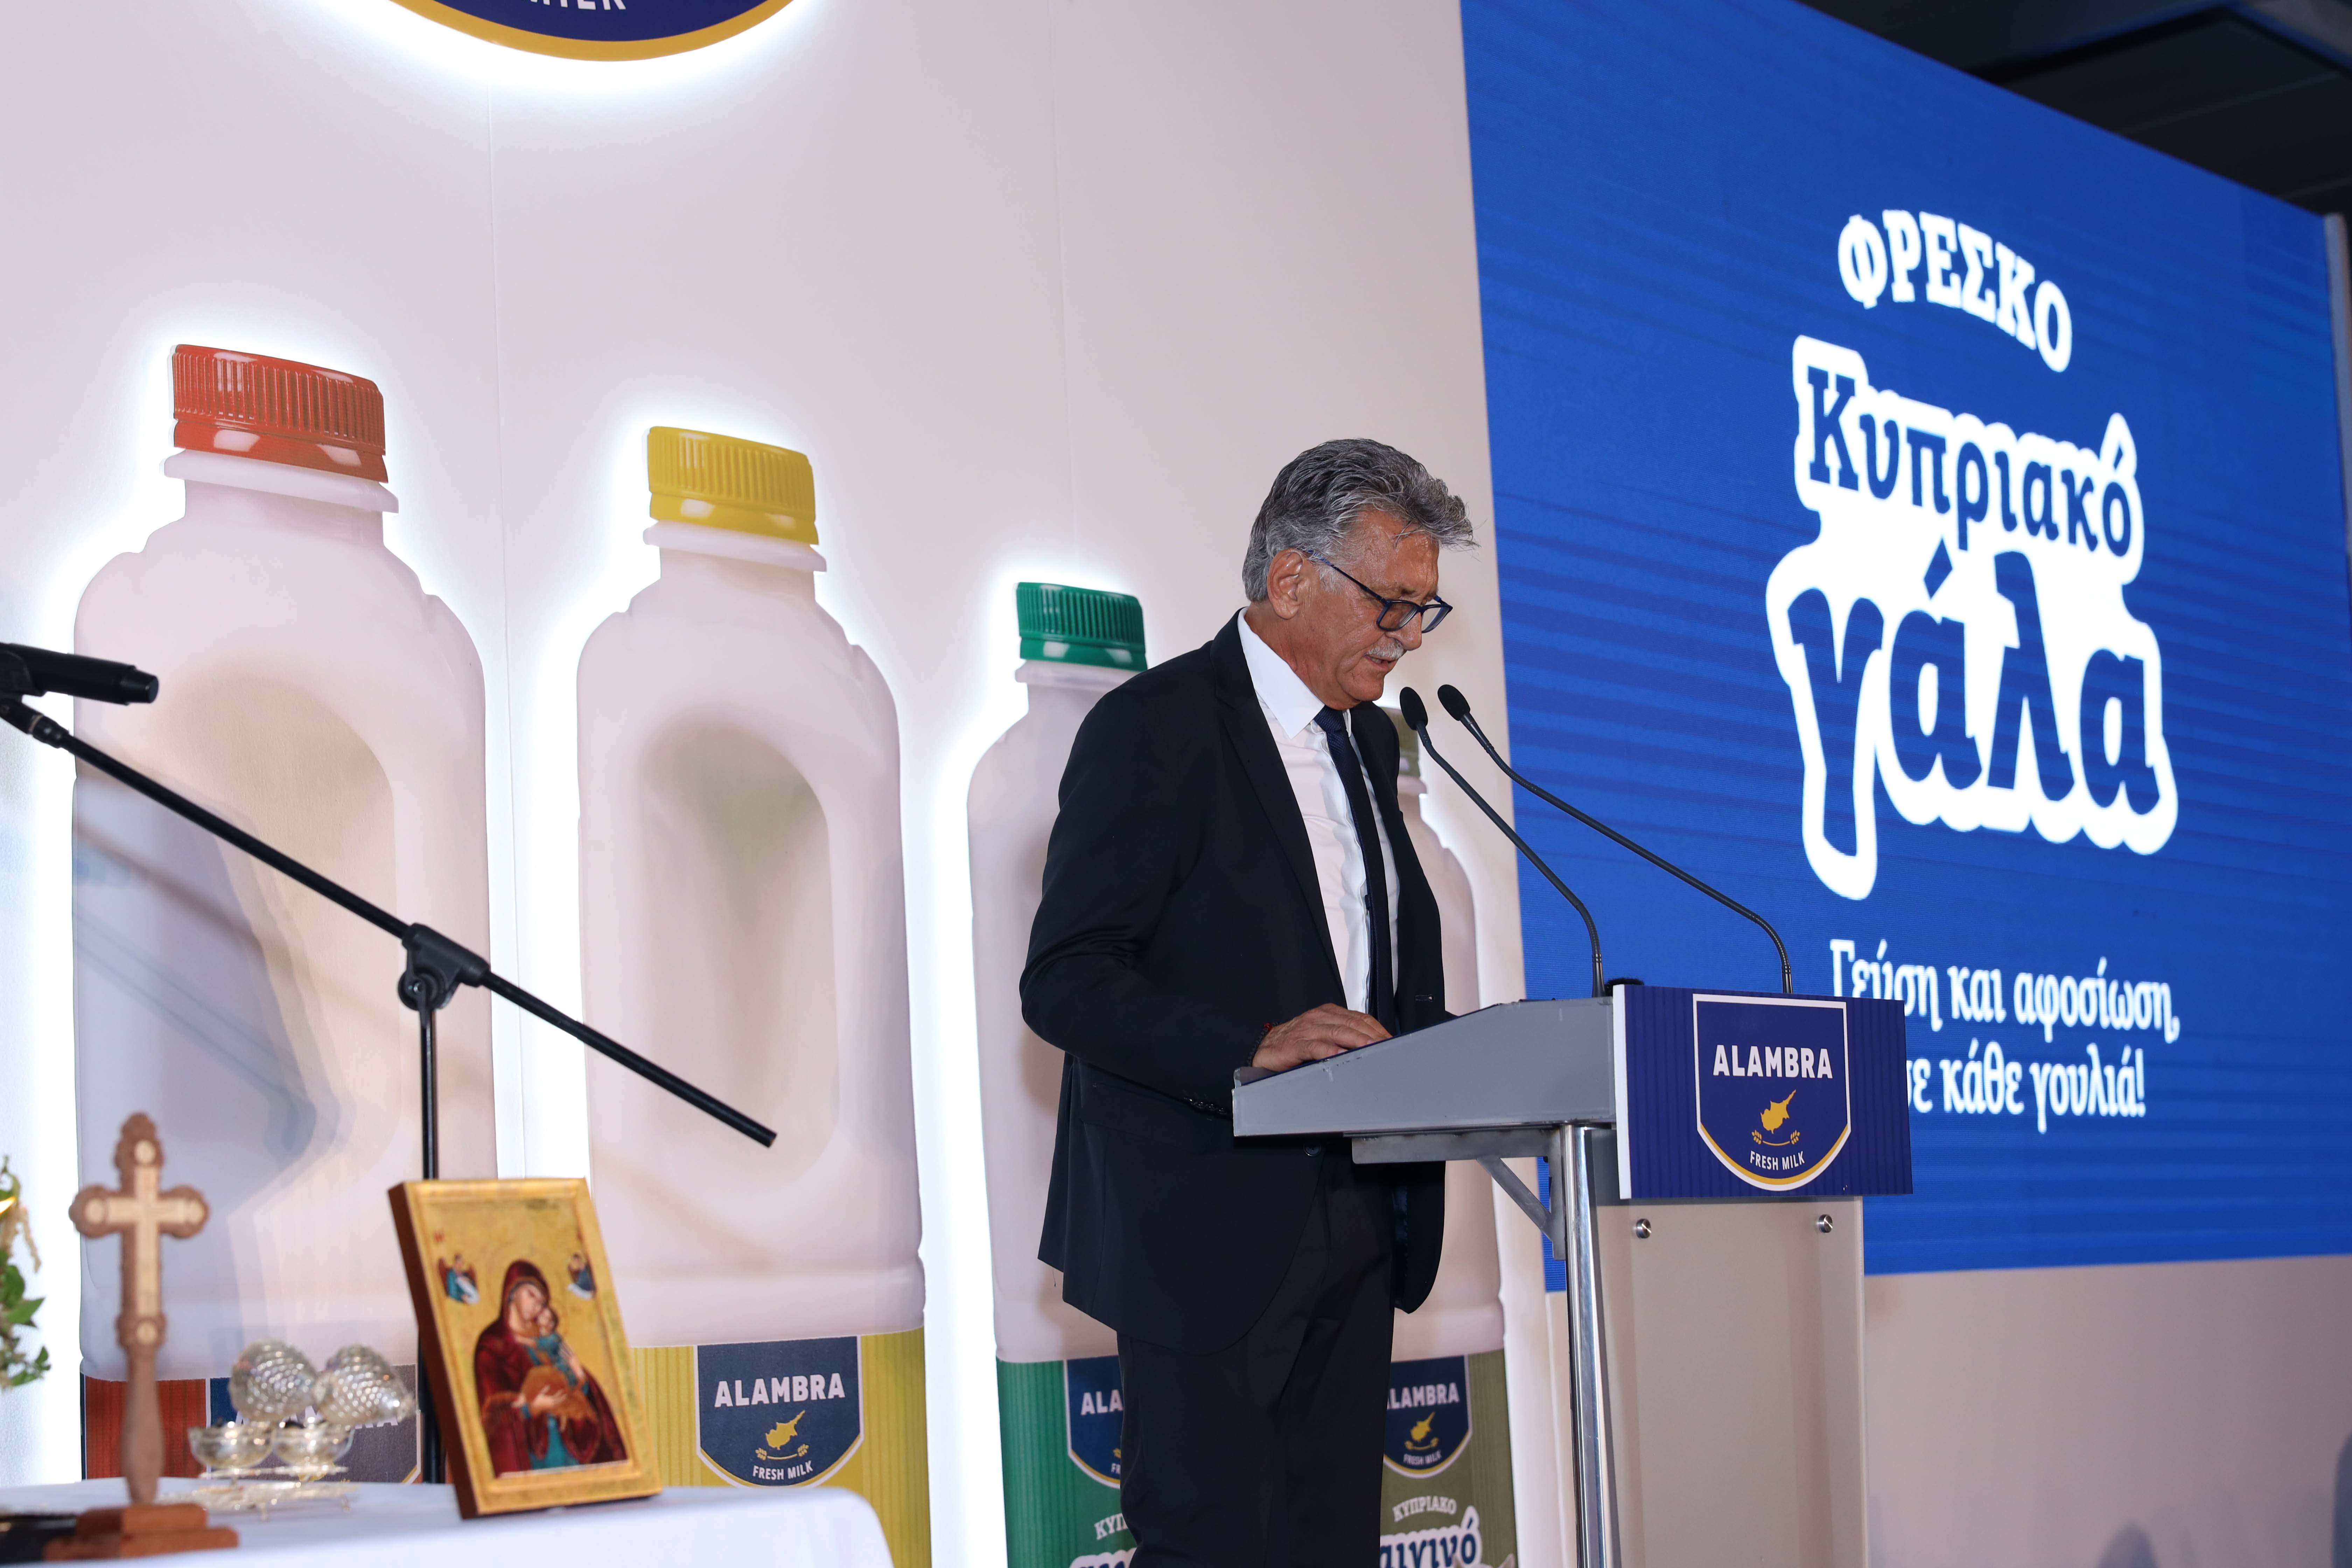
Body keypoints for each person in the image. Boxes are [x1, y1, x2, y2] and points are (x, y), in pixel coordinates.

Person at [1023, 439, 1475, 1564]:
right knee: (1211, 1544)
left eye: (1424, 609)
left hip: (1362, 1211)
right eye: (1390, 602)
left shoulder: (1369, 739)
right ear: (1290, 579)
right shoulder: (1155, 727)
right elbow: (1065, 977)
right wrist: (1251, 1043)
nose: (1409, 635)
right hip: (1206, 1222)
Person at [474, 1260, 627, 1473]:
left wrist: (580, 1376)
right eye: (531, 1295)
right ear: (512, 1292)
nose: (536, 1305)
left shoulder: (547, 1341)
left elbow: (573, 1388)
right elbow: (490, 1415)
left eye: (541, 1302)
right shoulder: (493, 1346)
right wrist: (533, 1408)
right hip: (532, 1454)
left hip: (566, 1443)